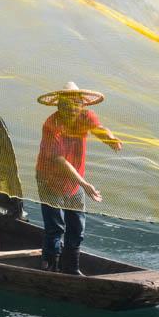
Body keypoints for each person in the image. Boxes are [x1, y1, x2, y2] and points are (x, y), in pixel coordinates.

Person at [34, 82, 122, 275]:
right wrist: (84, 183)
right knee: (55, 227)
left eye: (75, 104)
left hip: (74, 181)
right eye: (65, 104)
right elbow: (59, 160)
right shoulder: (51, 124)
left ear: (81, 105)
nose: (70, 108)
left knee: (76, 226)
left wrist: (110, 138)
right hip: (49, 179)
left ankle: (71, 268)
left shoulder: (86, 116)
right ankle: (49, 267)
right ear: (59, 106)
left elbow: (99, 128)